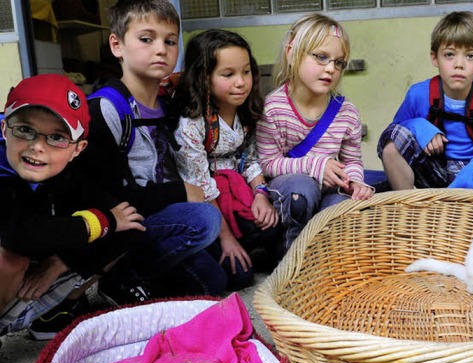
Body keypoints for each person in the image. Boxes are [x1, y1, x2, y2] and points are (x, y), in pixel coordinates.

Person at [76, 0, 225, 302]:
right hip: (120, 225)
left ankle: (144, 280)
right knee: (205, 220)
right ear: (117, 45)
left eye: (170, 41)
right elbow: (109, 200)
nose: (161, 49)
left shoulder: (167, 104)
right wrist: (179, 191)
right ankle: (119, 280)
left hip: (158, 219)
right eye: (146, 39)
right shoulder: (106, 109)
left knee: (218, 282)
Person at [0, 74, 145, 339]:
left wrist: (62, 262)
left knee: (124, 226)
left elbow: (130, 223)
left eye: (56, 137)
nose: (37, 147)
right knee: (9, 258)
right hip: (14, 260)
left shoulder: (72, 173)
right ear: (4, 129)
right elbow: (18, 235)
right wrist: (99, 221)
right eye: (24, 129)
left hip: (32, 276)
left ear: (78, 149)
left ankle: (61, 306)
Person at [170, 29, 280, 290]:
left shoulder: (247, 112)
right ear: (204, 78)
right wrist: (227, 239)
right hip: (207, 204)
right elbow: (199, 185)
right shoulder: (192, 124)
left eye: (246, 72)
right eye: (228, 75)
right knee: (240, 277)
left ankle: (250, 244)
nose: (241, 82)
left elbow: (251, 158)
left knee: (272, 225)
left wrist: (262, 195)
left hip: (238, 193)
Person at [256, 13, 374, 252]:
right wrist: (316, 166)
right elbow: (268, 163)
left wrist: (356, 182)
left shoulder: (347, 112)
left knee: (343, 209)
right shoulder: (273, 108)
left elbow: (351, 161)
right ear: (292, 53)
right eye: (321, 57)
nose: (331, 68)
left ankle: (321, 264)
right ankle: (290, 260)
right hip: (292, 190)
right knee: (302, 190)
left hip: (330, 190)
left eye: (338, 62)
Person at [378, 11, 473, 191]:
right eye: (449, 54)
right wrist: (419, 125)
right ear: (435, 57)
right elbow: (391, 133)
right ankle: (410, 210)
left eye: (470, 56)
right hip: (433, 170)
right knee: (393, 145)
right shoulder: (418, 94)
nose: (459, 64)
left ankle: (472, 217)